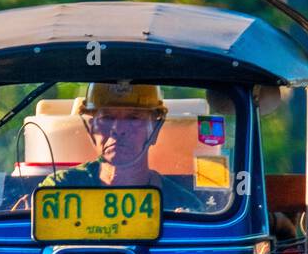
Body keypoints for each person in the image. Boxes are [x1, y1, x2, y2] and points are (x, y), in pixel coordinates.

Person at [37, 82, 201, 212]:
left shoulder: (183, 205)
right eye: (107, 117)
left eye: (133, 118)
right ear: (91, 129)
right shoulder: (58, 190)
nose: (118, 129)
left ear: (155, 130)